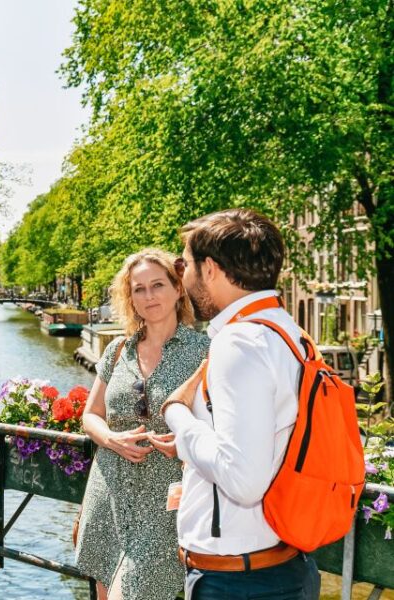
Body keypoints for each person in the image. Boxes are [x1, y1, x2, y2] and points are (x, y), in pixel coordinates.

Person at [163, 208, 320, 599]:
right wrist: (195, 441)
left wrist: (179, 418)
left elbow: (243, 481)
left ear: (211, 269)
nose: (182, 276)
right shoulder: (290, 333)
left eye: (185, 263)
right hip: (283, 563)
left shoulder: (240, 343)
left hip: (239, 580)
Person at [76, 248, 209, 600]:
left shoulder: (205, 351)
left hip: (163, 501)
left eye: (158, 285)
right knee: (105, 591)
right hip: (109, 492)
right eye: (139, 289)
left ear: (178, 289)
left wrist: (186, 444)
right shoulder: (118, 349)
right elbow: (91, 414)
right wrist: (110, 438)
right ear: (130, 298)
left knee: (136, 592)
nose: (149, 296)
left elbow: (223, 426)